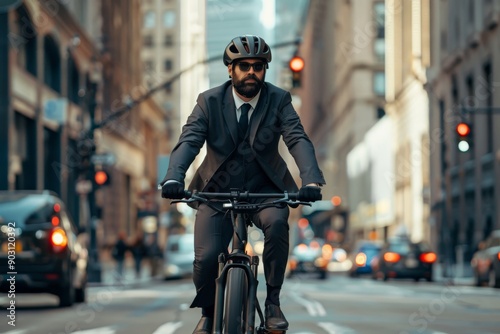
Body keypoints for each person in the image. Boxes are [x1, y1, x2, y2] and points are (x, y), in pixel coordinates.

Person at [160, 35, 325, 334]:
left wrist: (310, 179)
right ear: (230, 70)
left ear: (264, 70)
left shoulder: (279, 100)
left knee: (277, 225)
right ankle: (208, 313)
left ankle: (273, 302)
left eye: (258, 66)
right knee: (207, 257)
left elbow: (297, 138)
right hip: (216, 192)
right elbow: (190, 140)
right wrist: (175, 176)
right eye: (244, 66)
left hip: (266, 191)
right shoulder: (208, 102)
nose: (251, 72)